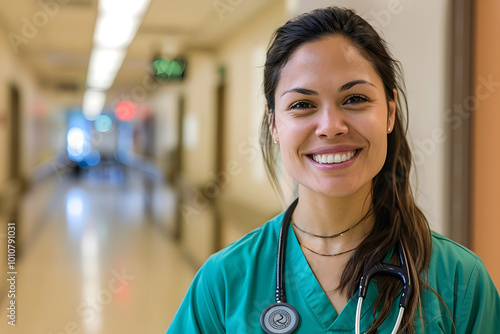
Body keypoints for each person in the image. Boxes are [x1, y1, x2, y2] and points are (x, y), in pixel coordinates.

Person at [167, 7, 500, 333]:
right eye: (302, 105)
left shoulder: (459, 280)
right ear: (274, 125)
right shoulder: (225, 283)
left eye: (355, 99)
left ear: (389, 112)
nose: (330, 127)